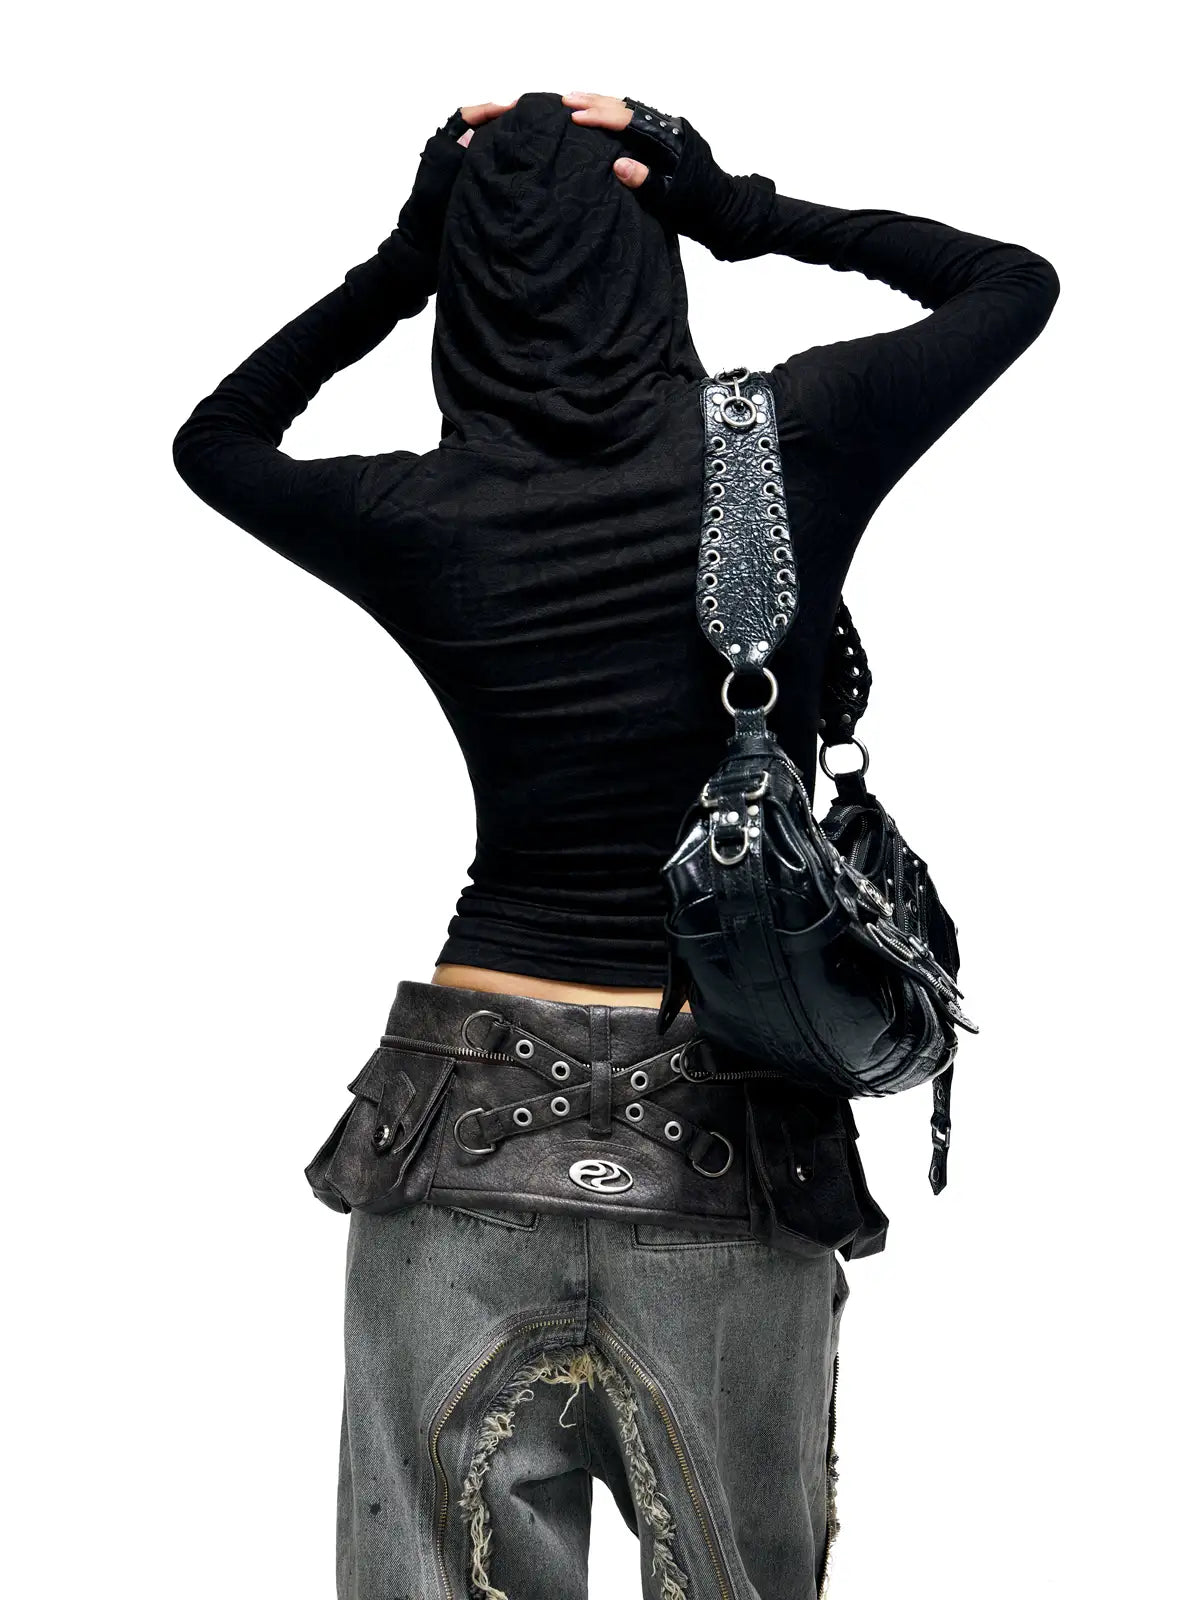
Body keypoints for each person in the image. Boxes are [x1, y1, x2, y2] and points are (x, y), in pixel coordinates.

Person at [171, 89, 1059, 1600]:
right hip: (727, 1131)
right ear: (656, 264)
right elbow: (1008, 285)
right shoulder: (783, 446)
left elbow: (218, 442)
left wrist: (408, 258)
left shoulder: (419, 510)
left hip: (455, 1129)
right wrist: (741, 209)